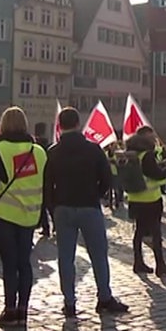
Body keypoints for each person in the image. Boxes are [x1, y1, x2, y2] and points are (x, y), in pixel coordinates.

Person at [43, 107, 128, 317]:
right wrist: (96, 194)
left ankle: (69, 302)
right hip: (89, 206)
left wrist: (53, 208)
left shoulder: (53, 151)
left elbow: (46, 185)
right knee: (98, 255)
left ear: (60, 126)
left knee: (65, 257)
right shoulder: (93, 149)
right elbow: (107, 178)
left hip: (63, 207)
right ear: (78, 124)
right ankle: (104, 297)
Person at [0, 107, 48, 327]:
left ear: (2, 124)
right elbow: (45, 185)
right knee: (25, 264)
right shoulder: (39, 151)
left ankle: (10, 310)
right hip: (30, 215)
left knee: (9, 265)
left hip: (5, 215)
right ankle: (23, 311)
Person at [125, 127, 166, 277]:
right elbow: (156, 175)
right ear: (144, 138)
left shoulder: (133, 154)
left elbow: (147, 171)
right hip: (150, 200)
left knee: (139, 232)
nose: (154, 138)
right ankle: (160, 266)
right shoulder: (147, 155)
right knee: (155, 233)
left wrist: (164, 164)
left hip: (135, 198)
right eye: (151, 136)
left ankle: (138, 262)